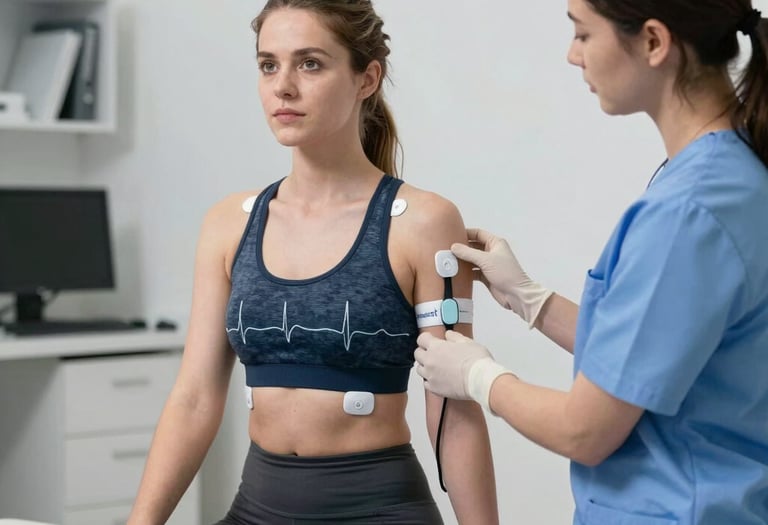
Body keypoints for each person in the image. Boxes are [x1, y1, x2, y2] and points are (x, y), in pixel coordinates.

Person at [127, 1, 498, 524]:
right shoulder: (229, 224)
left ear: (367, 78)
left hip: (379, 512)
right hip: (256, 510)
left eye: (310, 63)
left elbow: (453, 410)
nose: (283, 86)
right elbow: (194, 399)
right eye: (268, 65)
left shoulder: (423, 222)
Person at [415, 1, 768, 524]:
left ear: (654, 42)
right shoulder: (735, 173)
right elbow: (653, 352)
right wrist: (531, 301)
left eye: (582, 34)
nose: (572, 55)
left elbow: (586, 431)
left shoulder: (688, 211)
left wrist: (481, 378)